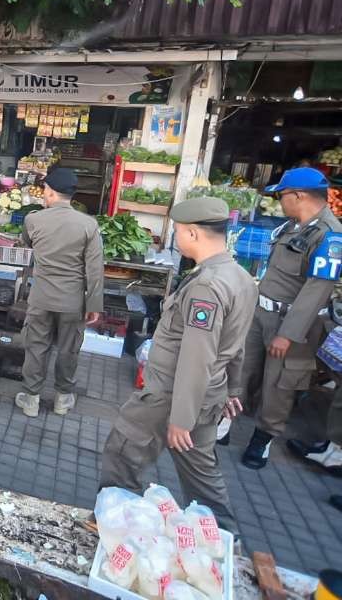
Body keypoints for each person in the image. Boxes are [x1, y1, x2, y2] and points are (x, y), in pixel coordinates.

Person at [100, 197, 256, 532]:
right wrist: (233, 388)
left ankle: (115, 525)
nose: (176, 238)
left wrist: (181, 419)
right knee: (202, 475)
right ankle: (223, 537)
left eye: (179, 232)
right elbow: (235, 344)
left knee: (123, 451)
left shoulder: (207, 286)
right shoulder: (240, 277)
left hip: (171, 397)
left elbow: (196, 356)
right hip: (209, 394)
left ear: (194, 233)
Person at [228, 167, 342, 469]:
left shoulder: (330, 235)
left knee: (279, 384)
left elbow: (316, 289)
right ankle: (224, 423)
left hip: (292, 324)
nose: (280, 202)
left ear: (299, 195)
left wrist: (288, 333)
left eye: (282, 196)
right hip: (261, 312)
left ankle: (262, 440)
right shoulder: (293, 226)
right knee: (241, 369)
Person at [15, 167, 104, 418]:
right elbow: (95, 270)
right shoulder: (88, 225)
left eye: (45, 190)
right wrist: (94, 304)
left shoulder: (33, 219)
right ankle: (63, 399)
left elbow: (28, 242)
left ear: (51, 192)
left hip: (41, 297)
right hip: (73, 301)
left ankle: (31, 398)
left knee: (36, 347)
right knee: (69, 349)